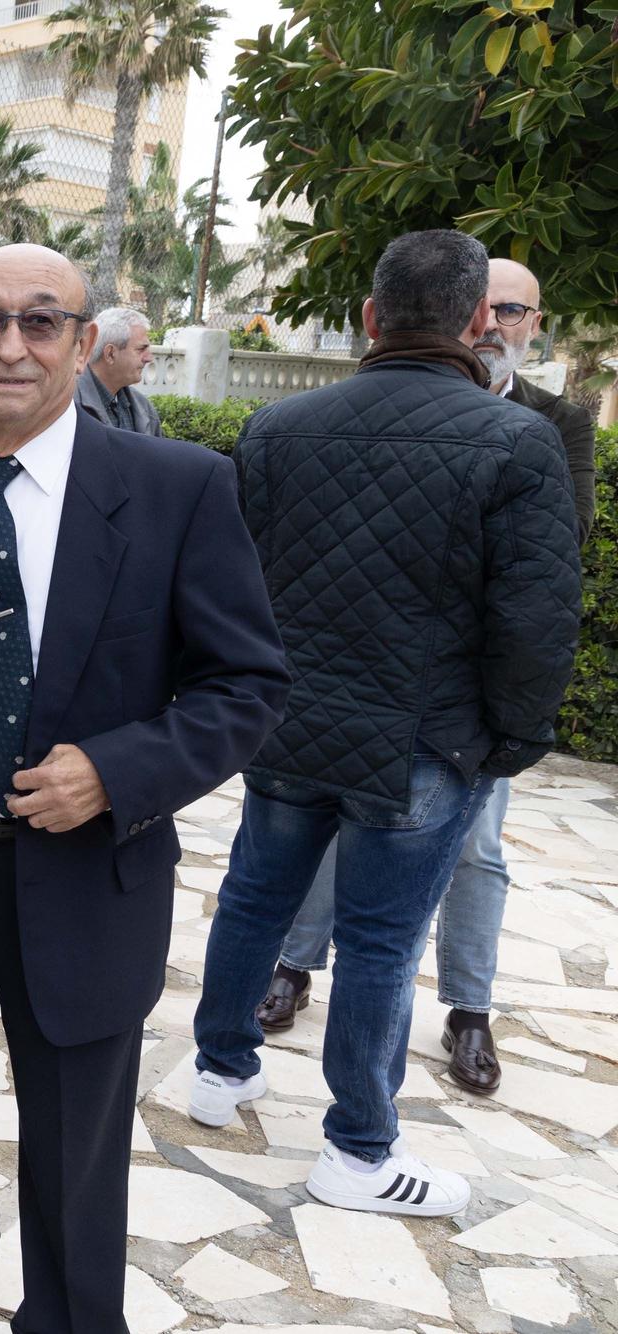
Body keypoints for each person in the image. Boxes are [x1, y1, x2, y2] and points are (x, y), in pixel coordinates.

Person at [0, 243, 287, 1334]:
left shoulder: (176, 489)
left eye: (39, 321)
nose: (9, 344)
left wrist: (116, 771)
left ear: (83, 341)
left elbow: (246, 682)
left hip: (83, 874)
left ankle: (70, 1314)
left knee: (75, 1132)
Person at [191, 230, 580, 1219]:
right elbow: (532, 618)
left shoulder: (278, 427)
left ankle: (217, 1067)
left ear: (368, 317)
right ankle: (357, 1149)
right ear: (474, 324)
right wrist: (511, 741)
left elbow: (230, 587)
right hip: (420, 740)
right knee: (373, 942)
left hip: (288, 724)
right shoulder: (513, 441)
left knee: (250, 899)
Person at [253, 256, 599, 1095]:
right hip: (346, 683)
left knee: (473, 854)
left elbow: (560, 559)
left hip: (459, 706)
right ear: (469, 314)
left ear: (529, 323)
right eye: (494, 309)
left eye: (519, 312)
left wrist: (511, 731)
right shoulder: (340, 413)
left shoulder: (550, 424)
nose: (501, 326)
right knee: (329, 849)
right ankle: (296, 974)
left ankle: (468, 1012)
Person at [73, 306, 162, 436]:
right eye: (141, 349)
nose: (149, 358)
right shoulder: (68, 404)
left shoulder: (144, 408)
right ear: (110, 354)